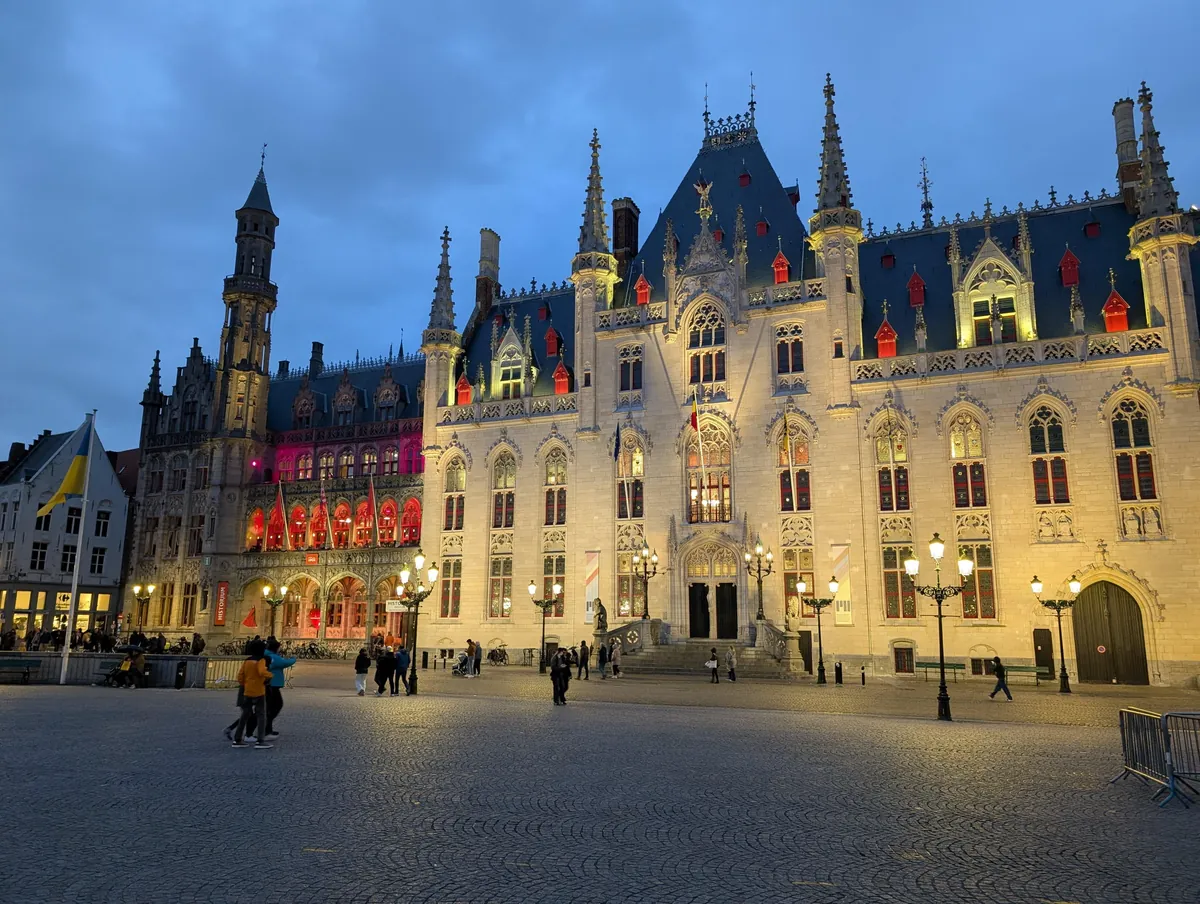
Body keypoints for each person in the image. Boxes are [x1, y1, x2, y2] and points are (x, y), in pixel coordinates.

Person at [233, 640, 273, 749]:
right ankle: (260, 740)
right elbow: (261, 672)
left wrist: (245, 684)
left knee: (245, 715)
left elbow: (240, 676)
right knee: (261, 715)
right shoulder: (261, 660)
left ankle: (237, 739)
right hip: (259, 691)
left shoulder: (247, 661)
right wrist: (270, 675)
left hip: (247, 691)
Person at [263, 639, 296, 738]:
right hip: (272, 685)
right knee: (276, 706)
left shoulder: (267, 655)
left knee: (270, 707)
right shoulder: (272, 657)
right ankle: (266, 728)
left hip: (271, 685)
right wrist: (294, 658)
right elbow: (284, 663)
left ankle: (268, 728)